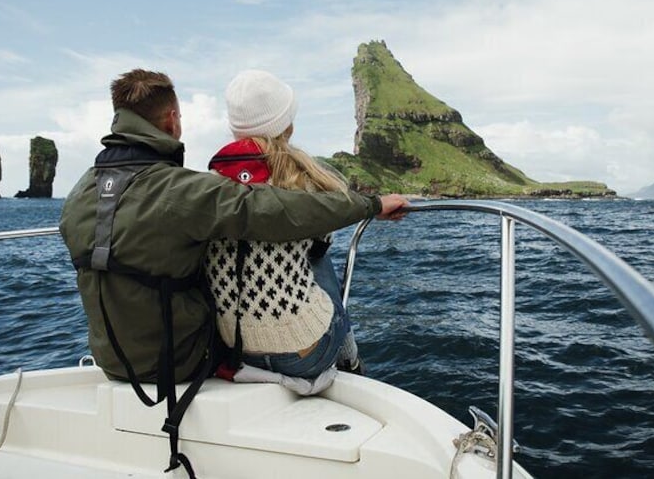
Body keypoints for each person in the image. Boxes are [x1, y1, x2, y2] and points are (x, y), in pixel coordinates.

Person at [59, 68, 407, 475]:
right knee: (313, 251)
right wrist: (369, 206)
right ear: (172, 118)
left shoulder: (83, 190)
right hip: (184, 360)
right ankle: (347, 362)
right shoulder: (177, 189)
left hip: (112, 360)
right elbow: (274, 211)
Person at [205, 69, 367, 380]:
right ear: (288, 127)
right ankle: (351, 361)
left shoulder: (208, 186)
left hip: (232, 349)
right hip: (303, 356)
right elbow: (324, 238)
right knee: (318, 256)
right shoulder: (307, 185)